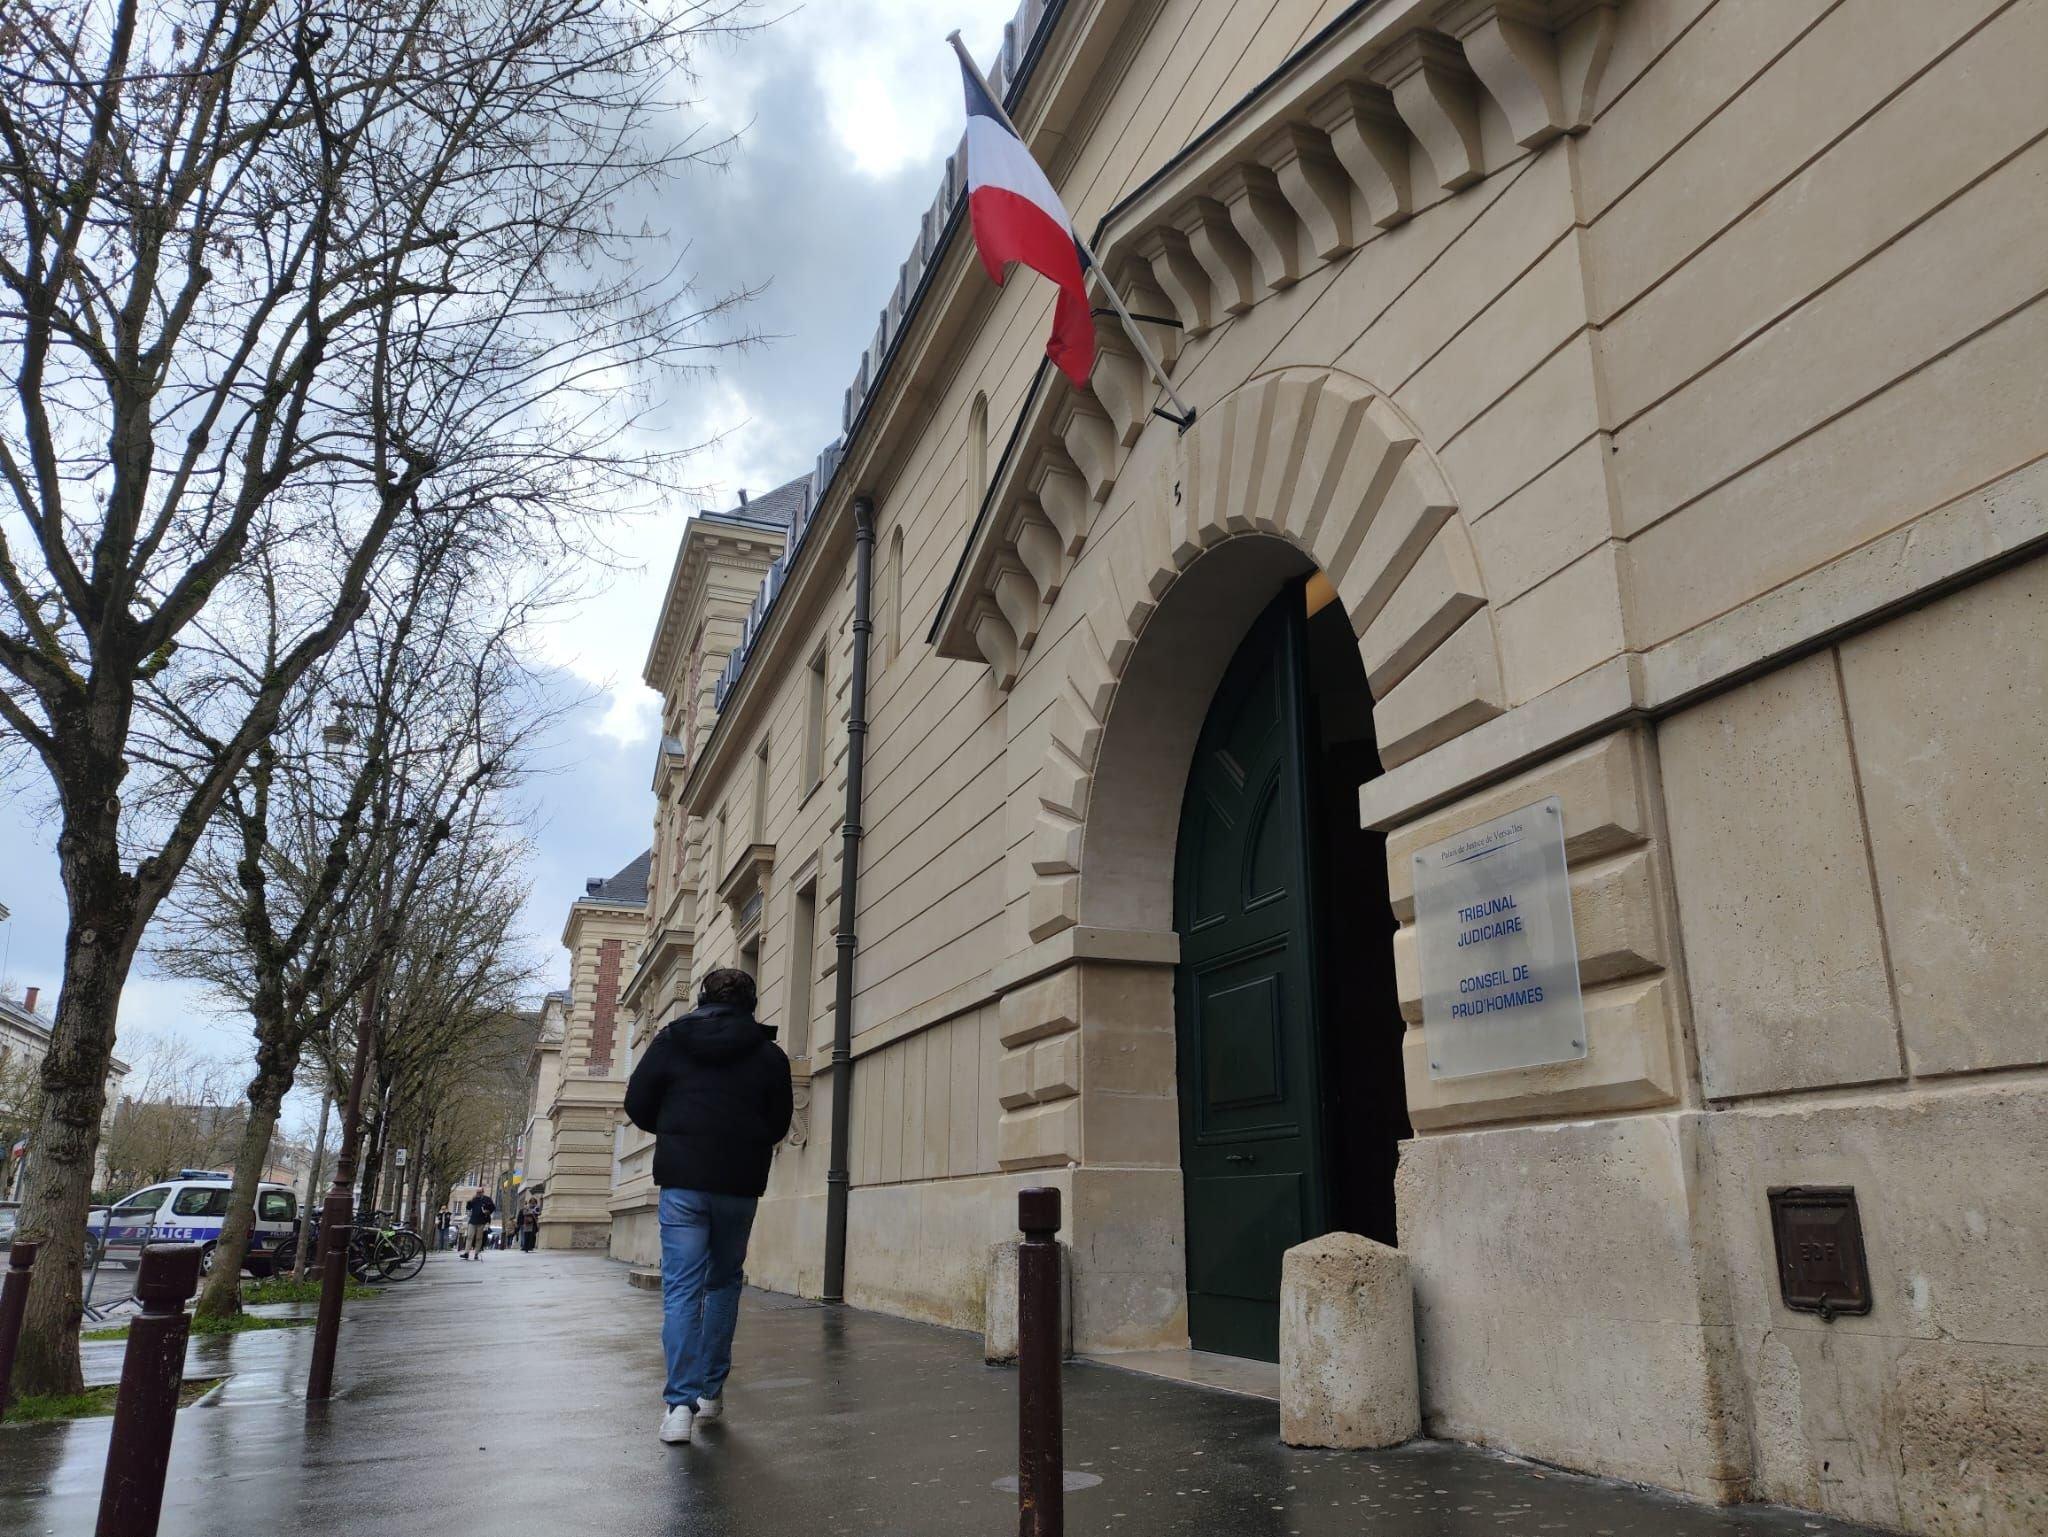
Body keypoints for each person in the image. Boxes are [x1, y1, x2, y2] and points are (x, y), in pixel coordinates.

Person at [625, 967, 792, 1446]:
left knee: (681, 1289)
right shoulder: (769, 1055)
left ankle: (678, 1406)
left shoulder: (672, 1041)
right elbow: (779, 1121)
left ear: (701, 997)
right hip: (739, 1184)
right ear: (751, 1002)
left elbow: (637, 1102)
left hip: (683, 1181)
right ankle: (711, 1393)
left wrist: (678, 1129)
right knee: (722, 1285)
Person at [460, 1188, 496, 1259]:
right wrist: (470, 1201)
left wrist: (488, 1211)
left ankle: (476, 1253)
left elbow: (493, 1207)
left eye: (479, 1192)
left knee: (479, 1238)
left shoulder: (487, 1199)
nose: (478, 1194)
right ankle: (466, 1253)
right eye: (477, 1192)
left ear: (483, 1192)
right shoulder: (474, 1199)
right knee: (469, 1236)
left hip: (482, 1221)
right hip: (473, 1220)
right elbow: (468, 1207)